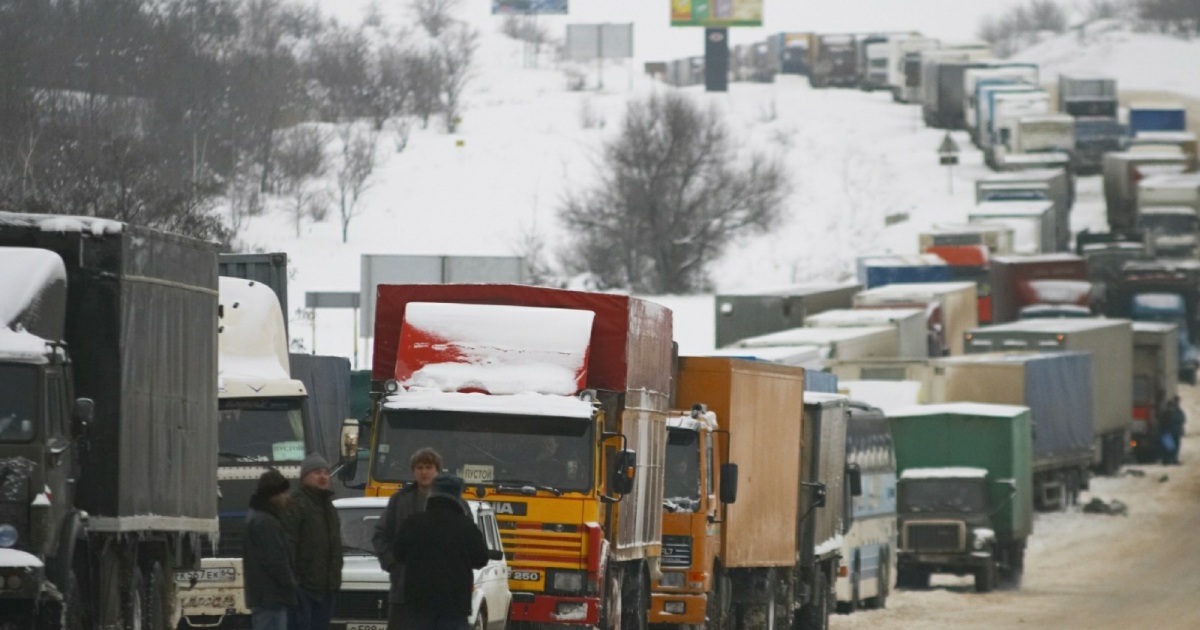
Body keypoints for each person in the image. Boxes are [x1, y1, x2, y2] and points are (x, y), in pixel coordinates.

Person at [391, 473, 489, 630]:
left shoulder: (414, 523)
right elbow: (481, 559)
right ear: (457, 496)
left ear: (433, 494)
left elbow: (398, 554)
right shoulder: (466, 526)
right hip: (454, 605)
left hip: (419, 603)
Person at [374, 447, 443, 630]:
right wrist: (391, 563)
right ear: (413, 471)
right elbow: (380, 534)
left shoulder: (450, 502)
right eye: (419, 467)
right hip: (403, 589)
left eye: (429, 467)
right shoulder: (399, 500)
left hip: (439, 589)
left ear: (437, 470)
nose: (424, 472)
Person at [283, 453, 342, 630]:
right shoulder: (296, 504)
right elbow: (288, 546)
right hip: (304, 589)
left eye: (326, 472)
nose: (323, 477)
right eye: (317, 472)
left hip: (326, 589)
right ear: (304, 477)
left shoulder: (329, 507)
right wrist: (294, 582)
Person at [244, 469, 297, 630]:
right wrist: (292, 585)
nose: (287, 497)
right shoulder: (267, 522)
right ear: (274, 494)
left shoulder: (257, 517)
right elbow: (276, 561)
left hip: (263, 597)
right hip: (272, 598)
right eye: (284, 492)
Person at [1163, 396, 1187, 465]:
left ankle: (1171, 459)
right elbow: (1182, 419)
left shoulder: (1175, 411)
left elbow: (1182, 419)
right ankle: (1171, 459)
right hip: (1173, 431)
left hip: (1172, 431)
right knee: (1172, 446)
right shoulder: (1176, 411)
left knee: (1172, 446)